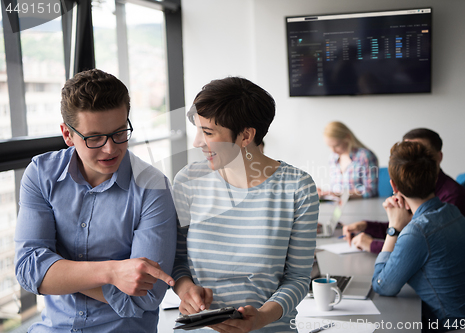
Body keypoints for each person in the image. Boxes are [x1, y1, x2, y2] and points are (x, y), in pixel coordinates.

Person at [14, 69, 177, 332]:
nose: (111, 148)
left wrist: (58, 269)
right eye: (95, 138)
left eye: (119, 132)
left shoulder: (153, 187)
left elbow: (144, 296)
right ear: (68, 135)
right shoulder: (41, 174)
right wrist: (112, 272)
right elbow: (28, 271)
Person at [171, 77, 319, 332]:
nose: (196, 142)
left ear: (246, 136)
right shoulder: (188, 180)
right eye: (198, 130)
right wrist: (186, 290)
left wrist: (261, 317)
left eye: (207, 132)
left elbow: (297, 278)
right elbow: (177, 259)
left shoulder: (298, 187)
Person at [372, 141, 465, 332]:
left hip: (455, 327)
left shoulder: (417, 232)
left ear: (393, 185)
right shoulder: (452, 211)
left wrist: (394, 228)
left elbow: (382, 285)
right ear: (435, 176)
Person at [344, 128, 465, 253]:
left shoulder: (453, 197)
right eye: (408, 153)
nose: (413, 160)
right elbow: (405, 226)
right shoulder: (415, 191)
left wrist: (372, 244)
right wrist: (366, 226)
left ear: (438, 157)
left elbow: (421, 248)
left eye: (421, 153)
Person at [318, 121, 378, 199]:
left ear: (347, 138)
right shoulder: (333, 158)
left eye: (336, 145)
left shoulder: (365, 156)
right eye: (329, 146)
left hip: (361, 207)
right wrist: (324, 193)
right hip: (337, 207)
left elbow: (370, 191)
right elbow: (335, 190)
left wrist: (342, 195)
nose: (332, 150)